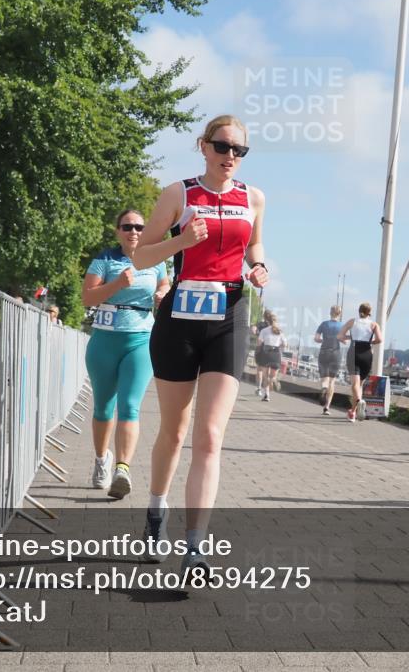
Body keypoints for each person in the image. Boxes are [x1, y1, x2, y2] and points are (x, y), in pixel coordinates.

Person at [132, 114, 267, 577]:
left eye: (239, 150)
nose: (230, 156)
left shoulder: (253, 198)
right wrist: (182, 241)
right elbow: (141, 255)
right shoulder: (179, 194)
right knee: (174, 431)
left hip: (230, 314)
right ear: (204, 146)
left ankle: (195, 548)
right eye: (222, 146)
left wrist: (260, 267)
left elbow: (255, 247)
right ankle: (156, 510)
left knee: (210, 436)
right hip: (180, 318)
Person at [82, 210, 169, 500]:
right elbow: (87, 297)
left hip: (140, 340)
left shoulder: (156, 261)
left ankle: (122, 469)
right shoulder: (104, 260)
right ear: (118, 230)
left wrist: (162, 294)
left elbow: (164, 284)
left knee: (130, 406)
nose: (134, 232)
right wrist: (117, 283)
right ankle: (101, 460)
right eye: (128, 226)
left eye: (140, 227)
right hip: (104, 341)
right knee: (103, 408)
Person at [337, 303, 383, 421]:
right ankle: (353, 412)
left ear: (359, 311)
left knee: (355, 385)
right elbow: (379, 339)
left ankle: (359, 401)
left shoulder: (352, 321)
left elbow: (339, 336)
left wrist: (348, 338)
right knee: (359, 385)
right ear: (369, 313)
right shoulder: (374, 324)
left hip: (354, 351)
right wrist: (370, 342)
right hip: (367, 354)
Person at [314, 305, 345, 415]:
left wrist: (323, 340)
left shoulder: (324, 324)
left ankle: (324, 388)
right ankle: (326, 407)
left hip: (324, 352)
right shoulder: (342, 326)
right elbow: (344, 340)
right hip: (335, 353)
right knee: (332, 381)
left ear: (330, 313)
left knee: (325, 379)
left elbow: (316, 338)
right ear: (339, 314)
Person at [256, 313, 287, 401]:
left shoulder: (264, 330)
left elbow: (259, 342)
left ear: (268, 321)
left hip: (266, 353)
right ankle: (274, 381)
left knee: (265, 375)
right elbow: (285, 344)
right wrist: (279, 346)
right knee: (272, 376)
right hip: (276, 354)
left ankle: (267, 395)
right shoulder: (280, 331)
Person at [253, 309, 273, 397]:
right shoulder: (274, 326)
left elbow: (253, 330)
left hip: (260, 349)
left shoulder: (261, 324)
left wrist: (256, 333)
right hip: (270, 351)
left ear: (264, 316)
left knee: (259, 370)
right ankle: (267, 392)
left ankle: (258, 389)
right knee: (267, 372)